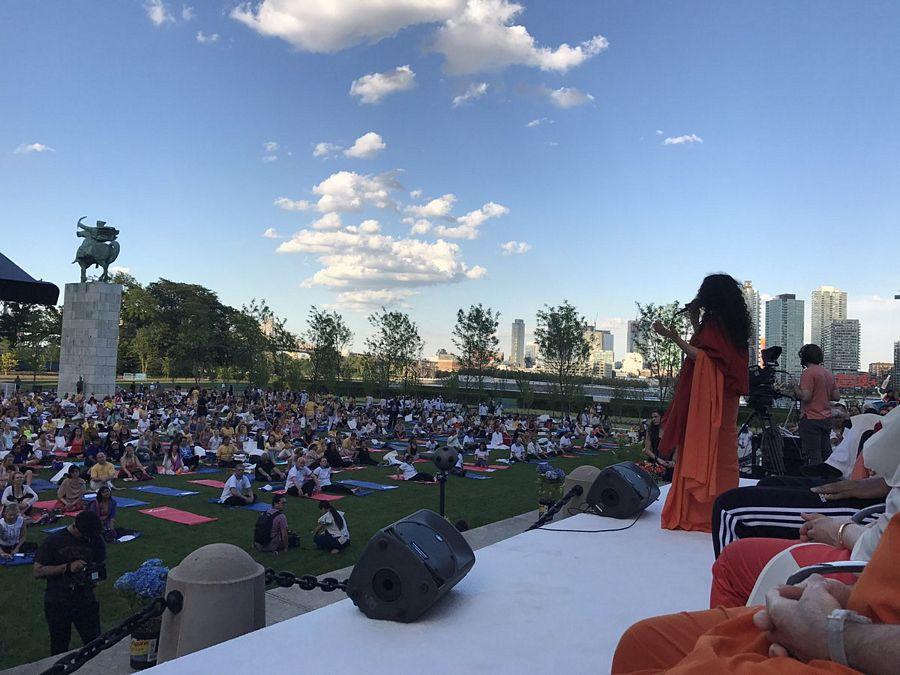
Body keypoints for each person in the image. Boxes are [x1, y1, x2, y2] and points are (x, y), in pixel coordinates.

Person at [612, 512, 900, 674]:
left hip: (865, 644)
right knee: (640, 643)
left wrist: (837, 637)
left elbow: (878, 454)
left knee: (731, 517)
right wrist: (848, 594)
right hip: (871, 606)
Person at [651, 273, 751, 531]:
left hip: (714, 397)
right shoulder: (733, 326)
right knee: (724, 450)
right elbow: (713, 353)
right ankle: (722, 508)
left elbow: (704, 357)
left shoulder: (717, 323)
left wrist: (673, 337)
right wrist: (695, 321)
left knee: (709, 445)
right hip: (726, 396)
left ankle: (702, 512)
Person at [33, 510, 106, 655]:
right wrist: (67, 567)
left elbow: (99, 563)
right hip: (58, 600)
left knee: (95, 643)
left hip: (85, 599)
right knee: (59, 645)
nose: (88, 539)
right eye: (86, 536)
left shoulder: (96, 539)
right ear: (75, 527)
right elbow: (37, 571)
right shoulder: (54, 541)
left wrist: (94, 578)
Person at [786, 344, 840, 465]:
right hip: (826, 418)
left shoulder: (808, 373)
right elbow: (836, 397)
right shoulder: (828, 373)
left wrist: (795, 386)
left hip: (811, 418)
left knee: (813, 456)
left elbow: (805, 396)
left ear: (804, 358)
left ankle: (814, 481)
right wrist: (821, 394)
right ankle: (827, 480)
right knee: (826, 454)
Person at [642, 409, 674, 480]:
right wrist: (658, 459)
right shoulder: (651, 430)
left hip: (669, 462)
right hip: (654, 460)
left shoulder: (671, 430)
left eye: (656, 417)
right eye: (652, 417)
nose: (653, 419)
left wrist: (673, 461)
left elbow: (677, 447)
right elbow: (647, 449)